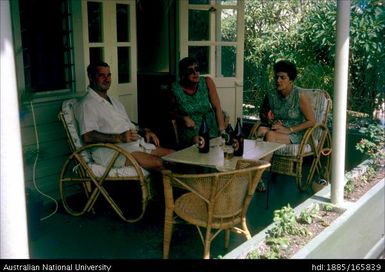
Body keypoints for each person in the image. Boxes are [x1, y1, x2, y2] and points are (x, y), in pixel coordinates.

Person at [75, 61, 174, 171]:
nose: (106, 79)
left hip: (133, 145)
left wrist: (144, 130)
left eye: (108, 75)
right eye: (101, 75)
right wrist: (119, 137)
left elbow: (126, 123)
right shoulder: (87, 104)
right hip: (114, 152)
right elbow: (87, 136)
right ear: (91, 77)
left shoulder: (113, 101)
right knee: (159, 163)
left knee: (175, 156)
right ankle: (170, 187)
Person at [256, 60, 316, 191]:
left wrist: (289, 130)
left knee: (270, 135)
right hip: (278, 128)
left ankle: (256, 177)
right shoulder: (272, 94)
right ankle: (249, 166)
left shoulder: (300, 96)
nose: (278, 80)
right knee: (260, 130)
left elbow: (312, 121)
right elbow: (263, 114)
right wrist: (272, 122)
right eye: (277, 77)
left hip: (296, 132)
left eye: (282, 77)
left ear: (291, 80)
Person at [170, 56, 225, 148]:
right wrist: (183, 117)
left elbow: (217, 107)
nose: (195, 73)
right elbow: (169, 112)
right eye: (190, 71)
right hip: (191, 129)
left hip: (210, 126)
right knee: (199, 141)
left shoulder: (207, 82)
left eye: (197, 69)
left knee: (218, 144)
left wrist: (222, 130)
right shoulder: (175, 88)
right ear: (183, 73)